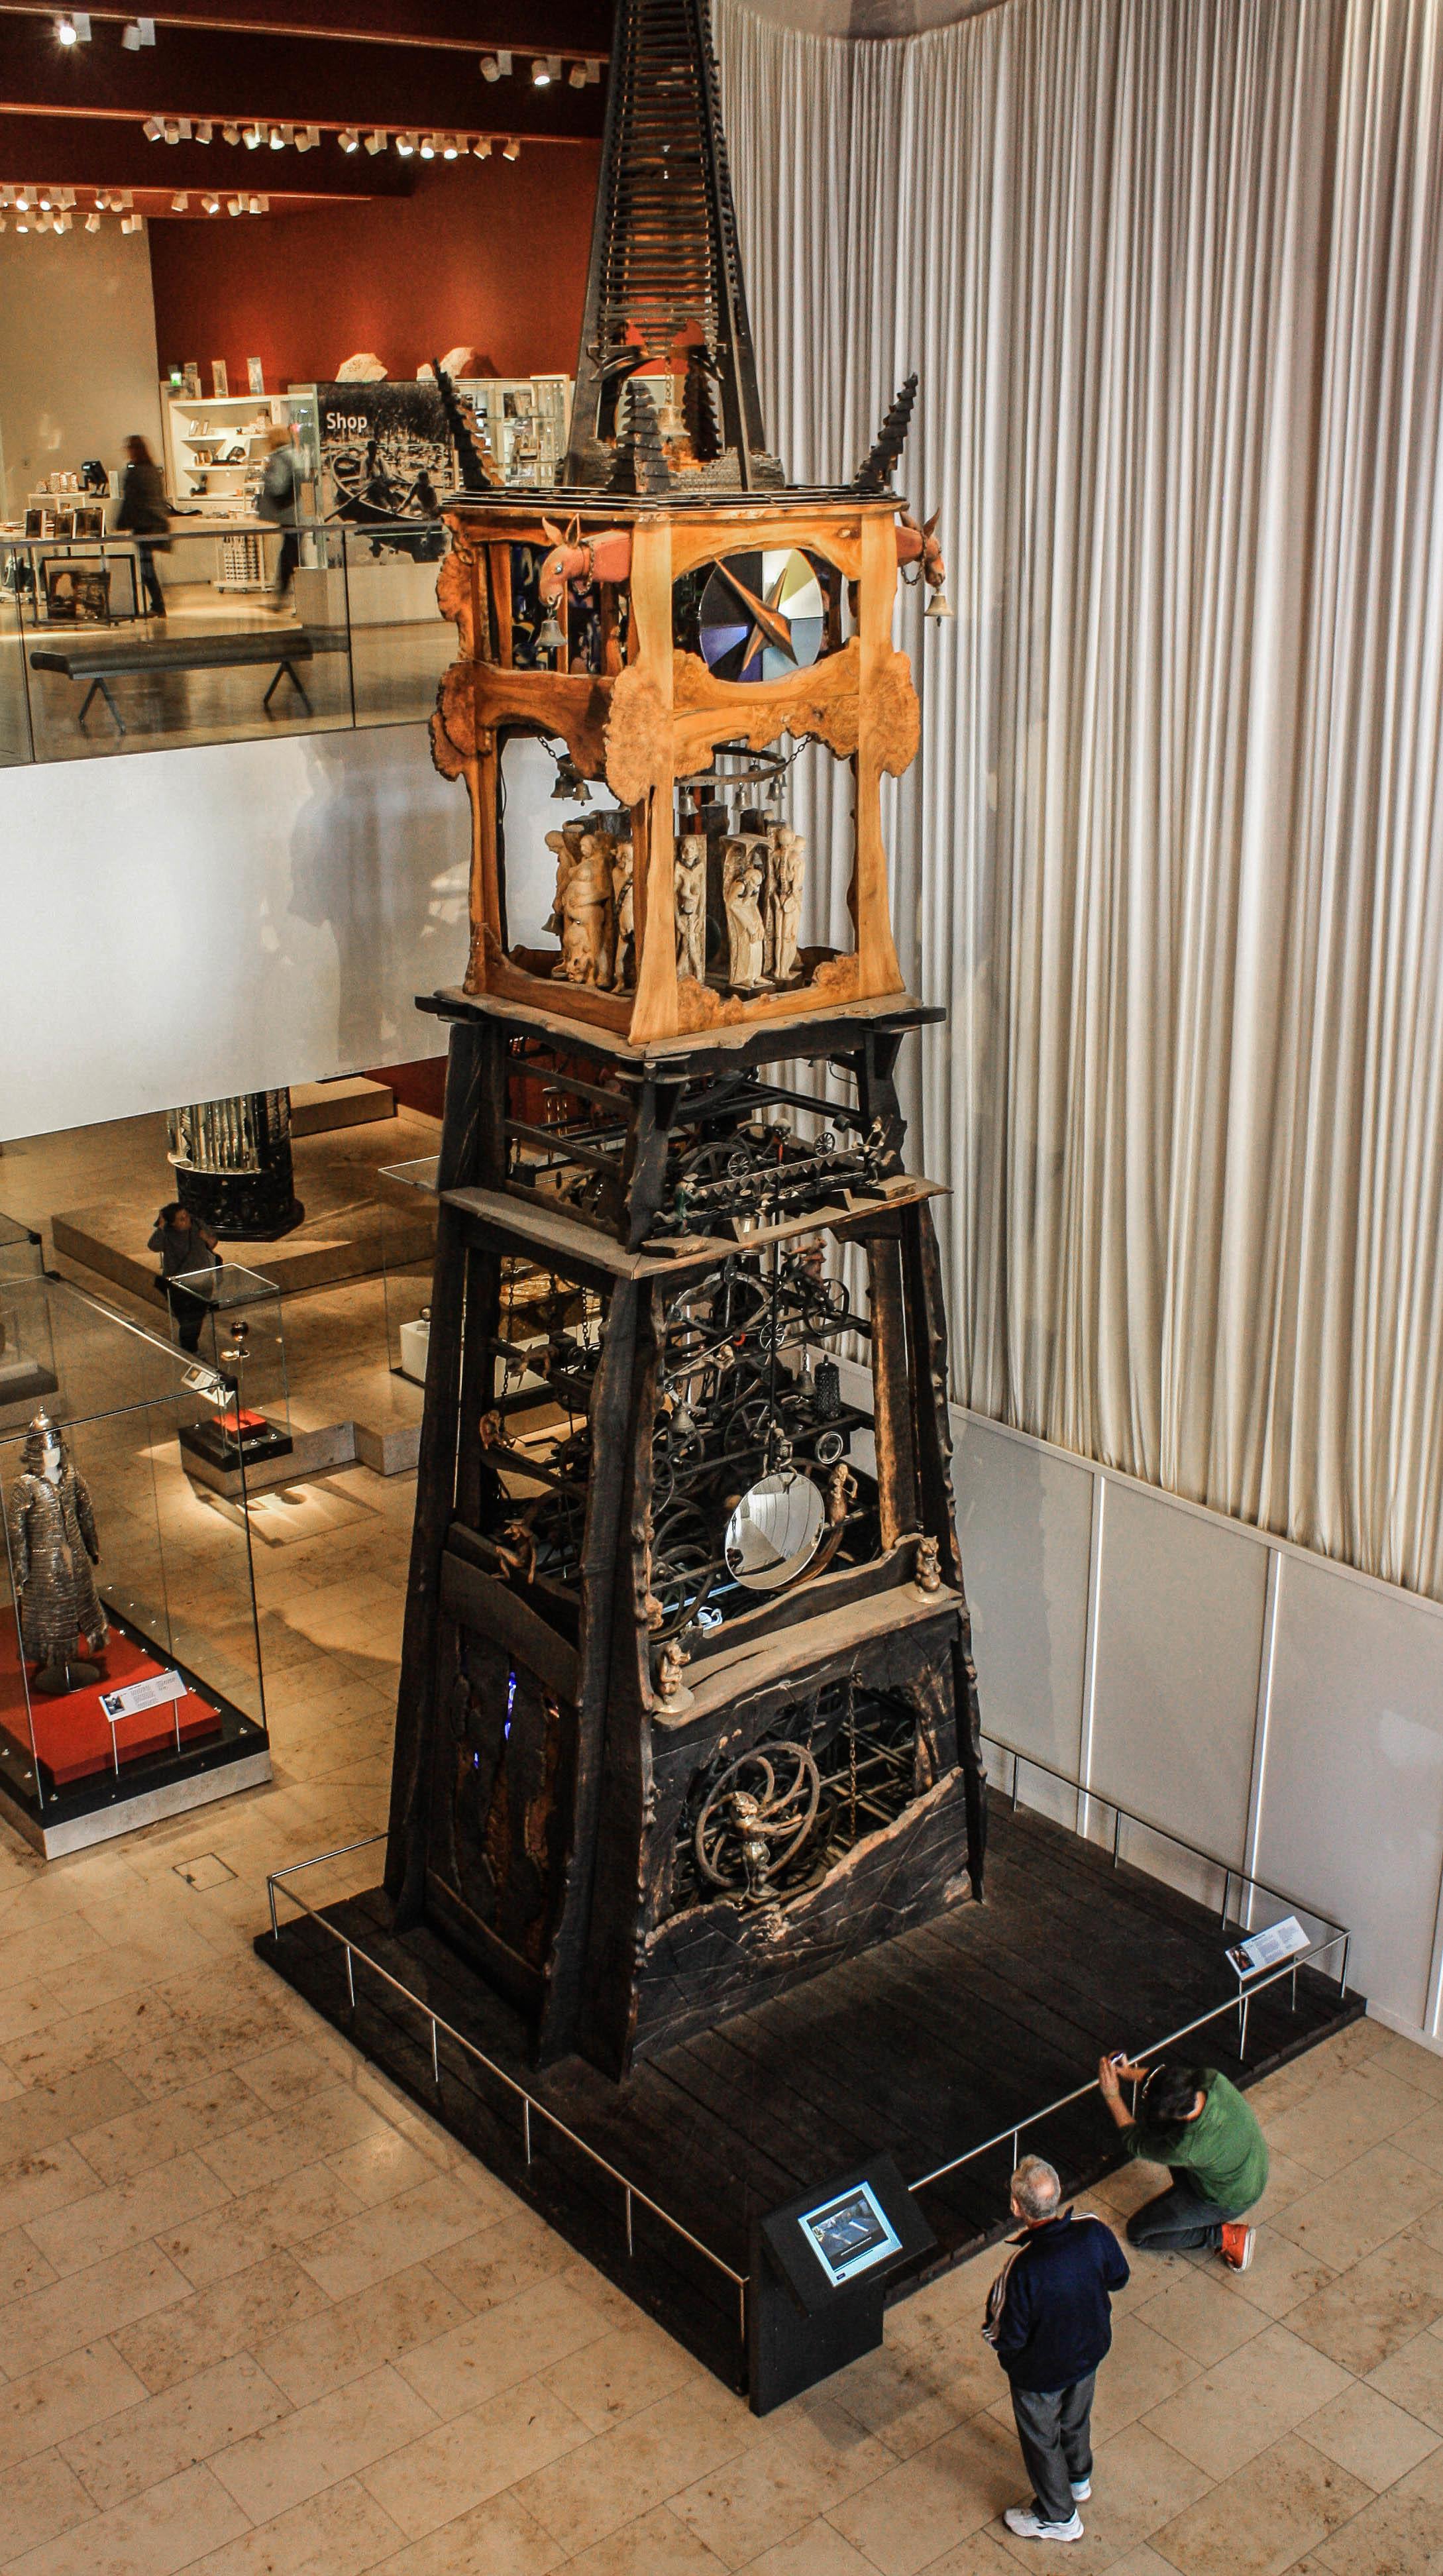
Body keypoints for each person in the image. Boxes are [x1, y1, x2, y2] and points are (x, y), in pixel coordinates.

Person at [985, 2154, 1129, 2545]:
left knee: (1041, 2439)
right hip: (1089, 2352)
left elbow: (1004, 2334)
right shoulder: (1093, 2230)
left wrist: (1010, 2359)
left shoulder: (1021, 2267)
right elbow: (1118, 2278)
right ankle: (1078, 2478)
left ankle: (1058, 2516)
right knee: (1076, 2417)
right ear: (1059, 2193)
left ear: (1016, 2207)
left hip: (1040, 2373)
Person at [1099, 2055, 1267, 2269]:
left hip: (1228, 2199)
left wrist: (1112, 2096)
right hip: (1253, 2166)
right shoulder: (1213, 2080)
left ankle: (1225, 2237)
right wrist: (1129, 2073)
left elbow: (1136, 2142)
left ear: (1174, 2115)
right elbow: (1173, 2080)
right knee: (1162, 2136)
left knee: (1138, 2234)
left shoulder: (1187, 2147)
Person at [147, 1202, 220, 1354]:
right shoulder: (167, 1233)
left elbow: (213, 1242)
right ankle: (190, 1350)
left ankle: (190, 1350)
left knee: (196, 1319)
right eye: (181, 1219)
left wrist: (206, 1238)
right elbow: (153, 1246)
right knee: (187, 1320)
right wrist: (161, 1227)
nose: (187, 1220)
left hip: (203, 1282)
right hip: (179, 1285)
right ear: (172, 1223)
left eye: (186, 1216)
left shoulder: (197, 1225)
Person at [112, 433, 170, 620]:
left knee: (146, 567)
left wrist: (120, 523)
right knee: (148, 565)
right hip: (155, 524)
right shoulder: (153, 471)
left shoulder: (136, 472)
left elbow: (131, 501)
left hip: (144, 526)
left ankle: (158, 605)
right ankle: (157, 604)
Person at [257, 425, 300, 608]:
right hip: (298, 513)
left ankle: (283, 597)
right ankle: (287, 596)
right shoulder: (295, 454)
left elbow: (277, 486)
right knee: (292, 553)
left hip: (288, 514)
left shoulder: (279, 458)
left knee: (290, 555)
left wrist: (265, 475)